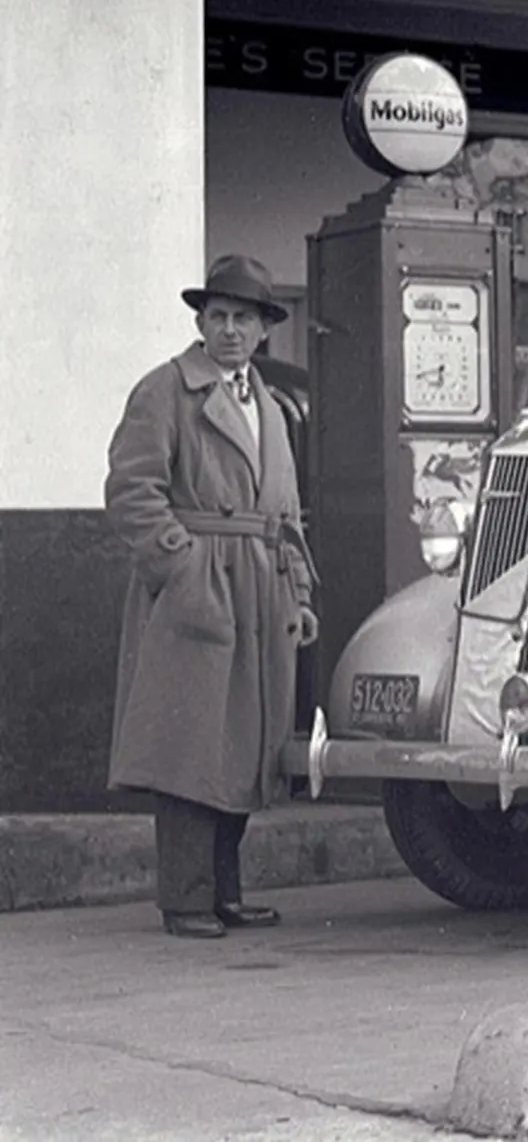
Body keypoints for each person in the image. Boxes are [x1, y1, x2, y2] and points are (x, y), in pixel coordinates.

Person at [104, 254, 318, 940]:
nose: (230, 329)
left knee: (245, 744)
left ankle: (226, 892)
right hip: (202, 582)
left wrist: (300, 590)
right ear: (200, 322)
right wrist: (183, 567)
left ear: (262, 331)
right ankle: (186, 898)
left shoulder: (272, 407)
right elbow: (132, 491)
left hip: (262, 585)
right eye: (218, 316)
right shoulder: (164, 390)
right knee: (190, 743)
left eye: (244, 318)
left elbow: (285, 507)